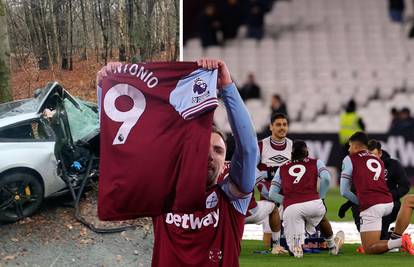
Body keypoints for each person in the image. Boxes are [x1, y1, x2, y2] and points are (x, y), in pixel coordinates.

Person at [97, 59, 257, 266]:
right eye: (201, 147)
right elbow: (120, 147)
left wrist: (227, 87)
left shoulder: (232, 199)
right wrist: (106, 88)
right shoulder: (164, 188)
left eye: (218, 150)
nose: (209, 155)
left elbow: (249, 149)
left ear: (225, 161)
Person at [268, 140, 344, 258]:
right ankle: (332, 246)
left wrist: (288, 201)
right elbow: (326, 178)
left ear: (291, 153)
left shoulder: (282, 167)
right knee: (322, 218)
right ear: (307, 151)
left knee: (295, 241)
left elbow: (272, 194)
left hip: (291, 208)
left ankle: (297, 248)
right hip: (313, 203)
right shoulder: (316, 162)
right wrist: (322, 197)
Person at [340, 131, 412, 254]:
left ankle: (401, 241)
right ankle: (394, 238)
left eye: (350, 146)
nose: (348, 149)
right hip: (388, 202)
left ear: (356, 146)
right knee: (374, 239)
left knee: (369, 248)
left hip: (372, 205)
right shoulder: (376, 158)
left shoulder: (349, 159)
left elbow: (344, 191)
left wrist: (360, 201)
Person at [253, 112, 292, 253]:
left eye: (284, 124)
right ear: (271, 127)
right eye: (278, 125)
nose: (282, 128)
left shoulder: (293, 146)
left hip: (288, 199)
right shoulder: (261, 146)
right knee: (268, 243)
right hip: (268, 199)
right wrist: (265, 179)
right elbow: (252, 170)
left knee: (289, 240)